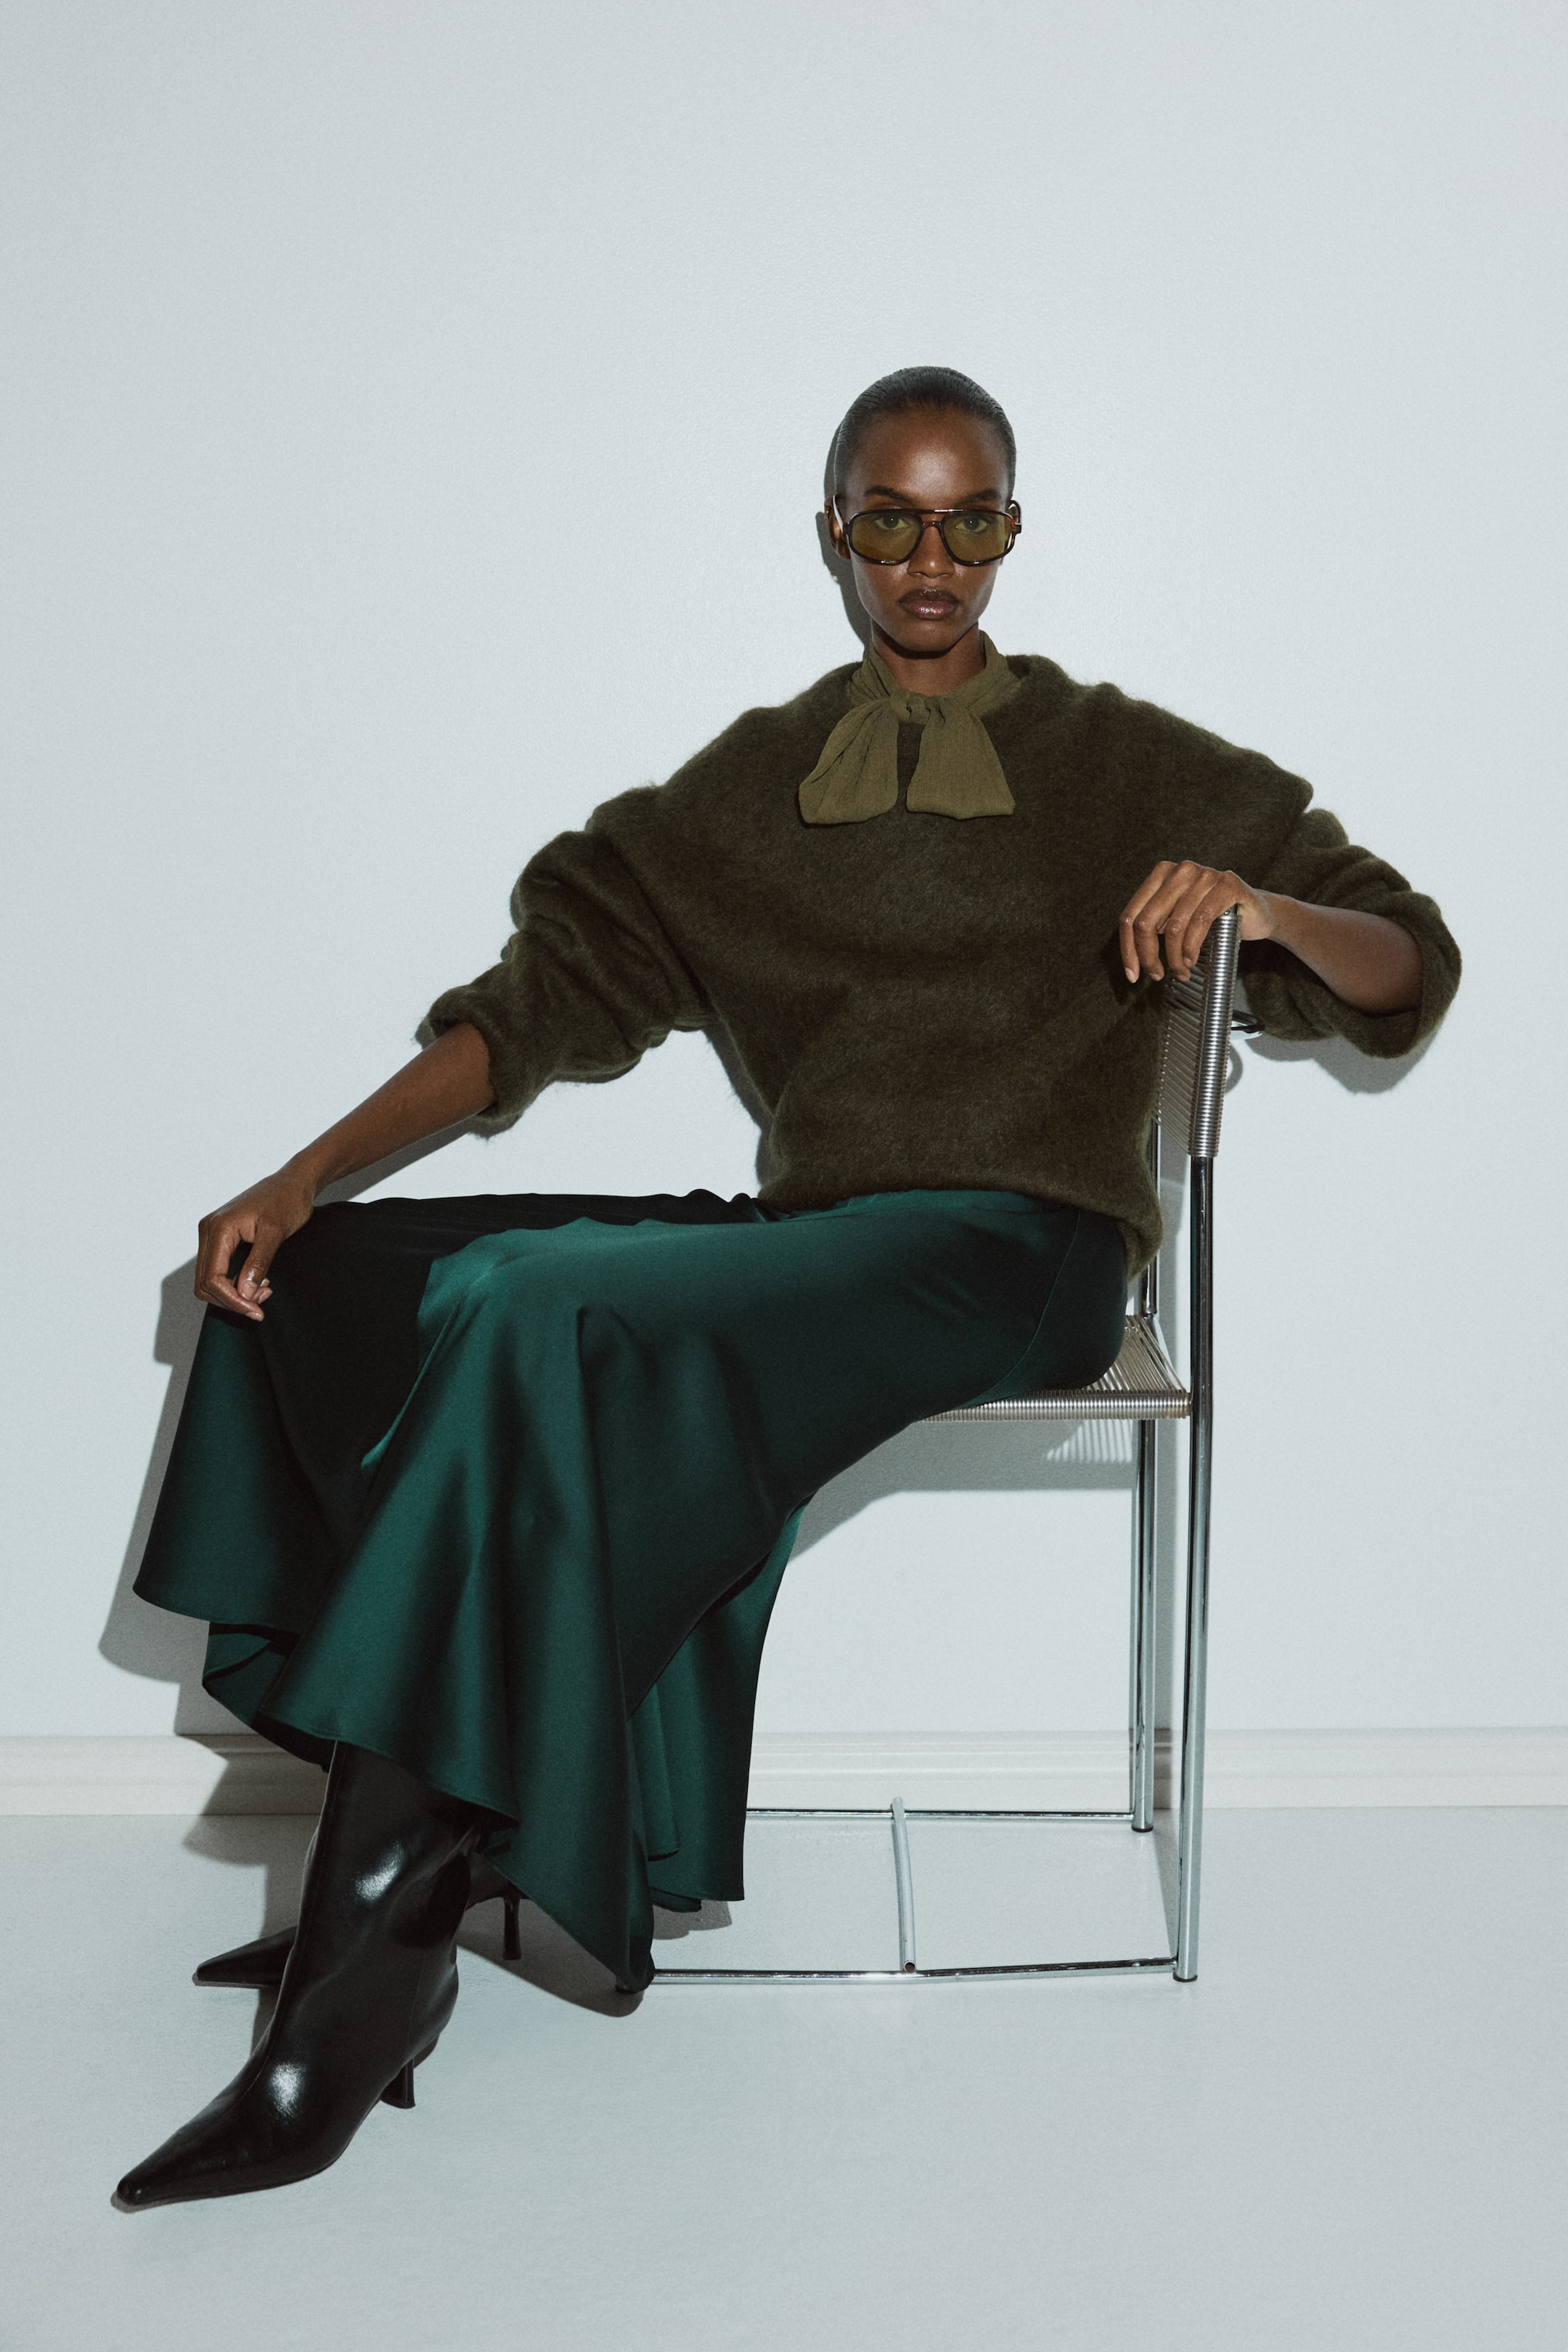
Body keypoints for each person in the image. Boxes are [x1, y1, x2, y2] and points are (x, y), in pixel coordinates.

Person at [115, 366, 1459, 2210]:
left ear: (1015, 529)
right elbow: (533, 1008)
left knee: (541, 1308)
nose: (933, 558)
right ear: (837, 531)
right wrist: (302, 1174)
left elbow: (1408, 963)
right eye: (892, 519)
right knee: (342, 1277)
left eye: (971, 519)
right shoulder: (754, 787)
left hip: (1021, 1251)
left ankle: (363, 1971)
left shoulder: (1127, 762)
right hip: (828, 1245)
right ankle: (431, 1818)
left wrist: (1267, 908)